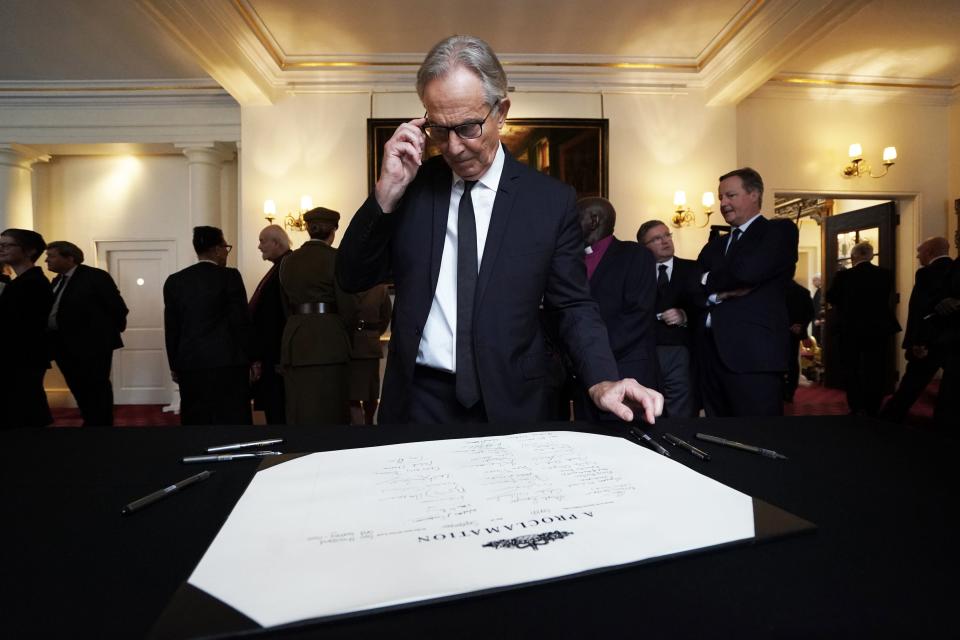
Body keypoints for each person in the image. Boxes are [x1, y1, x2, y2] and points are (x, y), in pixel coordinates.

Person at [336, 34, 662, 425]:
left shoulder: (549, 201)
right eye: (439, 130)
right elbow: (352, 276)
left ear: (501, 111)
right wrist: (385, 194)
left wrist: (602, 379)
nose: (454, 148)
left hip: (515, 401)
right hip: (419, 402)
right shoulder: (412, 188)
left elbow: (573, 305)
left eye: (469, 127)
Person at [695, 167, 799, 417]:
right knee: (716, 435)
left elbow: (747, 273)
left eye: (730, 195)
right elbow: (691, 284)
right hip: (710, 357)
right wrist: (719, 293)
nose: (723, 203)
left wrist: (708, 279)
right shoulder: (715, 245)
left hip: (754, 357)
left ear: (754, 194)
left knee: (758, 435)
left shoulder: (778, 231)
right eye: (721, 197)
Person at [572, 197, 657, 420]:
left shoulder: (636, 255)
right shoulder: (570, 260)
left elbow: (637, 314)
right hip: (584, 377)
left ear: (594, 219)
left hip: (627, 371)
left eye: (574, 219)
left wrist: (592, 352)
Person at [163, 226, 252, 425]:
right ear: (217, 249)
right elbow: (240, 321)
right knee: (232, 417)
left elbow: (172, 327)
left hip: (191, 362)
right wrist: (251, 357)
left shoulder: (175, 281)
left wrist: (174, 365)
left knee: (197, 418)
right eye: (225, 247)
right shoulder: (230, 277)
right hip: (229, 362)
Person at [280, 207, 355, 425]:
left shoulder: (288, 261)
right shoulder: (337, 258)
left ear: (308, 230)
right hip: (330, 341)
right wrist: (344, 336)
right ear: (333, 230)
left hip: (295, 341)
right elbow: (348, 306)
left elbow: (285, 304)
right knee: (331, 411)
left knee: (299, 408)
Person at [44, 241, 128, 426]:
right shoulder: (57, 280)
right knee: (78, 387)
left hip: (92, 345)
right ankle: (90, 421)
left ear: (70, 257)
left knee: (96, 386)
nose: (46, 260)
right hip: (63, 344)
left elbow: (117, 307)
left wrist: (104, 335)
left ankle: (101, 426)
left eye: (51, 256)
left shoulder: (94, 276)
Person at [880, 237, 953, 423]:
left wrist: (916, 341)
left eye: (920, 252)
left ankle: (891, 416)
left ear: (930, 252)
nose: (917, 256)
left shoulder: (926, 273)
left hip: (930, 338)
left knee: (912, 382)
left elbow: (918, 310)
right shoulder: (956, 269)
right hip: (953, 338)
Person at [637, 219, 705, 417]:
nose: (665, 241)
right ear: (644, 246)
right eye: (657, 239)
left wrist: (684, 315)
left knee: (680, 408)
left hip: (680, 349)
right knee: (647, 407)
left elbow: (703, 307)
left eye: (667, 235)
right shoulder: (636, 273)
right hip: (644, 349)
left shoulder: (693, 268)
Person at [826, 241, 901, 417]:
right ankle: (873, 406)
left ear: (854, 256)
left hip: (851, 327)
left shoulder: (844, 276)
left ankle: (856, 405)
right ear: (871, 255)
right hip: (878, 328)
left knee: (851, 368)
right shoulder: (885, 274)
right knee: (876, 367)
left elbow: (832, 297)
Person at [0, 229, 54, 428]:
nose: (1, 249)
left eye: (7, 245)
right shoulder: (21, 281)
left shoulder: (32, 283)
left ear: (30, 251)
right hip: (20, 355)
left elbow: (19, 325)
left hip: (22, 356)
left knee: (24, 411)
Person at [249, 224, 293, 424]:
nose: (259, 246)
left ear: (276, 243)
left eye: (262, 241)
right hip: (272, 354)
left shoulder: (287, 266)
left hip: (278, 354)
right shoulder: (280, 267)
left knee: (279, 411)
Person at [348, 285, 392, 425]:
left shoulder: (345, 284)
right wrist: (372, 334)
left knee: (366, 395)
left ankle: (364, 429)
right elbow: (385, 317)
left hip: (356, 345)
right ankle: (364, 428)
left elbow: (386, 316)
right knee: (359, 395)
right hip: (358, 346)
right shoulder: (381, 288)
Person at [783, 279, 814, 402]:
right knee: (792, 361)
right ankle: (790, 392)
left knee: (777, 360)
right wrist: (801, 325)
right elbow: (810, 312)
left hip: (777, 332)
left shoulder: (775, 291)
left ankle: (780, 390)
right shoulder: (803, 292)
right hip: (794, 332)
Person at [811, 274, 824, 345]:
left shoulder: (822, 291)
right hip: (816, 320)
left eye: (814, 281)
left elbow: (820, 307)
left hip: (820, 321)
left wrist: (819, 319)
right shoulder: (818, 291)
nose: (812, 283)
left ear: (819, 280)